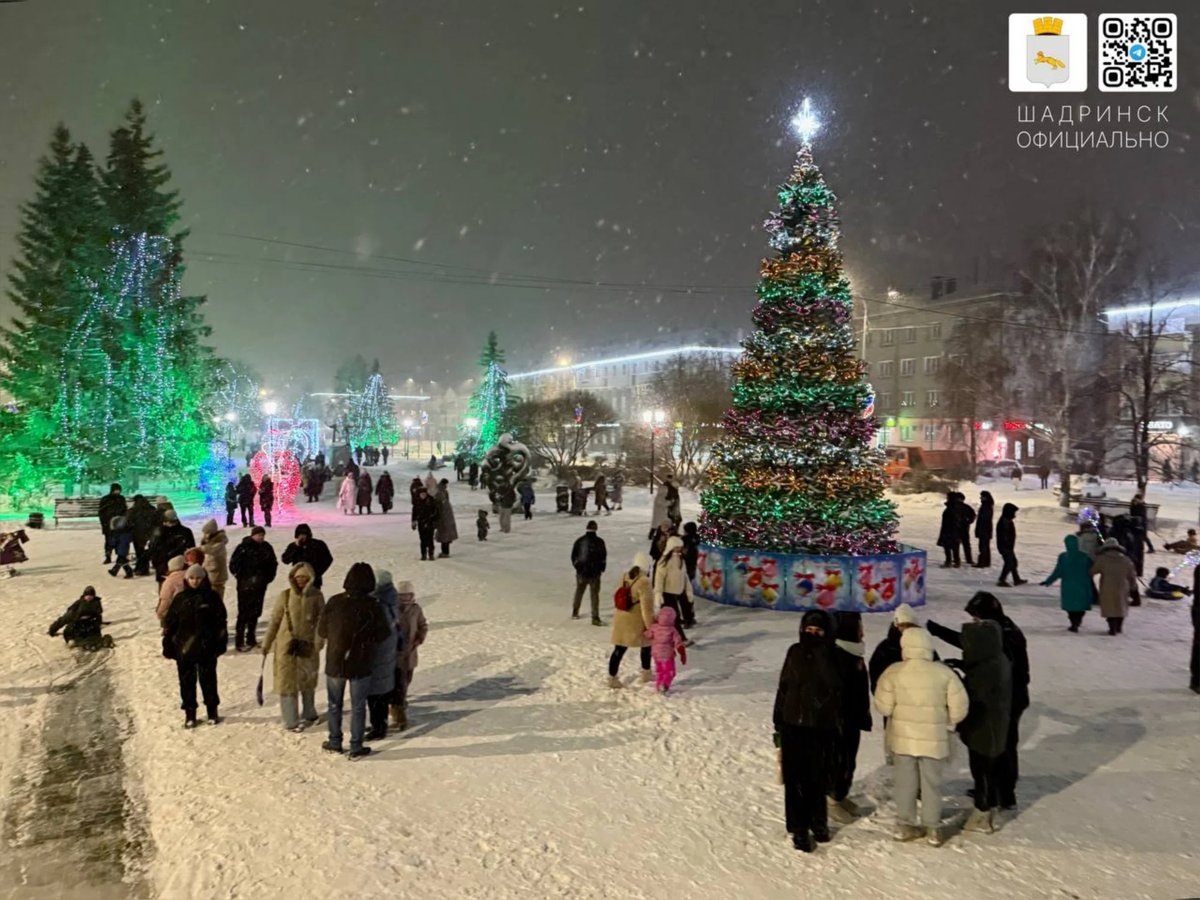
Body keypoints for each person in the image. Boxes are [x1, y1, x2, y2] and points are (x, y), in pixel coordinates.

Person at [928, 592, 1030, 810]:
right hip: (1006, 696)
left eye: (977, 617)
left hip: (1008, 698)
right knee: (996, 744)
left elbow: (991, 662)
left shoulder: (1003, 634)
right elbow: (980, 652)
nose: (975, 622)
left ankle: (1002, 792)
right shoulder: (998, 628)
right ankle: (992, 787)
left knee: (1000, 745)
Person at [873, 627, 968, 846]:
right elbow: (960, 706)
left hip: (903, 739)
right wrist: (949, 721)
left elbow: (884, 707)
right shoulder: (943, 673)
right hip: (934, 740)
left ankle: (905, 825)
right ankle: (933, 828)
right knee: (931, 783)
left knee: (905, 783)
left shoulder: (893, 671)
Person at [772, 610, 840, 853]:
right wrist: (778, 717)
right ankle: (799, 828)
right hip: (792, 725)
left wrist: (821, 653)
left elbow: (835, 687)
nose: (811, 636)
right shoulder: (794, 651)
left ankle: (818, 823)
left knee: (817, 778)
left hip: (819, 727)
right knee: (794, 780)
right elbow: (784, 685)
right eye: (808, 631)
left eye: (817, 632)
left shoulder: (833, 655)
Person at [318, 562, 391, 759]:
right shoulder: (373, 606)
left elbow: (322, 630)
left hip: (336, 661)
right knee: (358, 706)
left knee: (335, 704)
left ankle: (335, 741)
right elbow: (383, 633)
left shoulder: (334, 602)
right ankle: (356, 745)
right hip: (361, 662)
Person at [956, 620, 1012, 834]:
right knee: (988, 769)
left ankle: (982, 813)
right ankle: (988, 804)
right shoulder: (997, 660)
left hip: (983, 728)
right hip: (994, 727)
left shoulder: (985, 670)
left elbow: (972, 696)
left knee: (981, 771)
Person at [162, 564, 229, 728]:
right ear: (187, 579)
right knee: (186, 682)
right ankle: (190, 713)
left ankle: (212, 711)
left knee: (208, 680)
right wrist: (168, 645)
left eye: (198, 578)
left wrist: (220, 643)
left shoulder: (212, 597)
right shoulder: (180, 599)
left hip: (207, 648)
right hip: (184, 649)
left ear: (204, 579)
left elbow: (221, 622)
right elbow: (170, 624)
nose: (195, 581)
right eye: (192, 578)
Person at [261, 563, 325, 731]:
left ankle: (309, 713)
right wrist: (267, 642)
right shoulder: (285, 596)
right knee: (287, 682)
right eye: (298, 577)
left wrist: (319, 641)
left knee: (307, 681)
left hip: (308, 645)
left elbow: (321, 621)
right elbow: (275, 620)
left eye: (304, 577)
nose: (301, 581)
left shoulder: (317, 596)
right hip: (285, 645)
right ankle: (290, 719)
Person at [827, 612, 872, 824]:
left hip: (852, 719)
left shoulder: (852, 653)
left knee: (848, 761)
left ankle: (840, 796)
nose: (863, 630)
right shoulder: (839, 656)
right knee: (839, 761)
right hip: (840, 722)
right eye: (859, 626)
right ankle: (831, 800)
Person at [609, 552, 656, 688]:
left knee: (619, 648)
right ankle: (646, 673)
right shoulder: (644, 582)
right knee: (646, 645)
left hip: (621, 617)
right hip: (635, 620)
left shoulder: (625, 576)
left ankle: (612, 677)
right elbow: (646, 608)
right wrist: (650, 626)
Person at [228, 526, 278, 651]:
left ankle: (251, 638)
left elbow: (273, 564)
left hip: (260, 586)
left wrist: (268, 578)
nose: (261, 537)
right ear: (253, 535)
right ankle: (239, 641)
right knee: (243, 613)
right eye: (258, 535)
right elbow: (233, 565)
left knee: (255, 612)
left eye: (262, 535)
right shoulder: (243, 548)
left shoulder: (266, 547)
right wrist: (242, 578)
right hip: (245, 586)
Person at [365, 570, 400, 741]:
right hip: (388, 654)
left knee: (376, 694)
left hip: (379, 655)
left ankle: (379, 728)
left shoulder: (380, 605)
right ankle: (379, 724)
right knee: (380, 693)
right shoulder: (391, 600)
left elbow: (379, 632)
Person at [391, 580, 428, 730]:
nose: (405, 599)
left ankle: (399, 706)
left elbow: (423, 625)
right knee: (398, 686)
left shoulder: (416, 609)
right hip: (394, 655)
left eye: (408, 595)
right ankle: (399, 716)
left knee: (405, 683)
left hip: (410, 655)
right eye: (402, 596)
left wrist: (419, 639)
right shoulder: (392, 609)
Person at [1041, 534, 1095, 631]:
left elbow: (1058, 571)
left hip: (1068, 585)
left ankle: (1073, 623)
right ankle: (1078, 621)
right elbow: (1092, 568)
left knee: (1071, 606)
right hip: (1082, 584)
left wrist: (1048, 581)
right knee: (1081, 605)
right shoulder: (1084, 556)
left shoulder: (1063, 557)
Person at [1092, 537, 1138, 636]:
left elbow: (1093, 571)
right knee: (1121, 606)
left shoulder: (1102, 559)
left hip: (1107, 585)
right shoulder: (1126, 560)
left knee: (1110, 607)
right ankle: (1119, 626)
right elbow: (1132, 575)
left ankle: (1112, 626)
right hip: (1123, 586)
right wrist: (1133, 586)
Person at [654, 535, 696, 636]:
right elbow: (659, 579)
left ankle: (671, 636)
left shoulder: (681, 560)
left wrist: (688, 591)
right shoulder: (664, 562)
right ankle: (681, 639)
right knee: (674, 616)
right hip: (667, 592)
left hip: (679, 591)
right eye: (677, 547)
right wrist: (658, 593)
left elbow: (685, 576)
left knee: (674, 616)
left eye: (680, 547)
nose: (679, 549)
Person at [570, 520, 608, 625]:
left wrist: (577, 567)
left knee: (579, 591)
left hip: (582, 571)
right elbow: (603, 556)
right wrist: (601, 568)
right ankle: (595, 617)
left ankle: (575, 611)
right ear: (596, 528)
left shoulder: (579, 541)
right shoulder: (600, 542)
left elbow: (574, 556)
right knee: (594, 595)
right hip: (595, 572)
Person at [645, 606, 687, 693]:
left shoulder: (654, 627)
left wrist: (647, 630)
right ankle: (665, 684)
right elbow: (678, 642)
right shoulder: (672, 630)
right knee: (670, 671)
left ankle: (658, 685)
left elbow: (648, 635)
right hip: (667, 655)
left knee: (660, 671)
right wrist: (682, 653)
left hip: (656, 653)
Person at [280, 523, 334, 589]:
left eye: (304, 534)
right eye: (300, 534)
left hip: (314, 581)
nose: (302, 537)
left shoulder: (318, 544)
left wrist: (317, 572)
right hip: (298, 581)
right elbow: (285, 560)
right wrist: (296, 547)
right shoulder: (293, 546)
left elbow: (328, 559)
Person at [149, 510, 196, 584]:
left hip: (168, 565)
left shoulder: (159, 531)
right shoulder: (185, 531)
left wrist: (155, 562)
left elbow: (153, 548)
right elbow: (191, 549)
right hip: (176, 565)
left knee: (167, 590)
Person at [127, 494, 158, 576]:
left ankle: (141, 569)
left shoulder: (133, 510)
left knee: (139, 552)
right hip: (149, 535)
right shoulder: (152, 509)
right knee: (146, 552)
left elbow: (128, 522)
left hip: (137, 535)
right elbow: (156, 521)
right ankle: (143, 567)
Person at [199, 518, 229, 600]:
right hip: (211, 574)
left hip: (217, 575)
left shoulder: (219, 543)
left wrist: (198, 549)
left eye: (206, 533)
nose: (204, 535)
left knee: (216, 597)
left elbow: (211, 550)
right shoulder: (210, 542)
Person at [995, 502, 1025, 587]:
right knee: (1009, 563)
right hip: (1005, 546)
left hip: (1008, 546)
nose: (1014, 514)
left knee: (1013, 562)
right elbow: (1004, 535)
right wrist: (1007, 544)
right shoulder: (1005, 521)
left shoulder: (1007, 520)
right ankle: (1002, 580)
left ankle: (1016, 579)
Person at [98, 483, 127, 565]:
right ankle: (108, 556)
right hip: (109, 524)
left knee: (118, 540)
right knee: (109, 541)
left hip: (118, 523)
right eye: (117, 489)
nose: (118, 491)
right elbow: (101, 512)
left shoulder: (121, 499)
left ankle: (119, 556)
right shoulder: (106, 499)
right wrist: (104, 523)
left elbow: (124, 510)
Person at [156, 556, 189, 622]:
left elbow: (165, 599)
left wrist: (160, 613)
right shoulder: (189, 575)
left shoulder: (169, 581)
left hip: (175, 612)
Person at [412, 487, 439, 561]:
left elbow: (436, 512)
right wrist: (414, 522)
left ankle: (431, 554)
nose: (423, 495)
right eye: (422, 494)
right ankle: (423, 554)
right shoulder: (417, 502)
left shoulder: (431, 501)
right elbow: (414, 513)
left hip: (429, 522)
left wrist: (435, 521)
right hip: (421, 523)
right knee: (422, 539)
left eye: (424, 494)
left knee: (430, 539)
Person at [435, 479, 459, 557]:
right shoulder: (440, 493)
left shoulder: (441, 492)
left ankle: (445, 552)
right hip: (445, 516)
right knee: (445, 535)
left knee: (444, 535)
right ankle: (445, 552)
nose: (446, 486)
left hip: (445, 516)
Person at [107, 513, 135, 579]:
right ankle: (115, 570)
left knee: (122, 560)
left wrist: (110, 546)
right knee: (121, 559)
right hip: (123, 547)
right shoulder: (126, 533)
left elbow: (114, 540)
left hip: (121, 548)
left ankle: (129, 572)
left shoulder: (118, 533)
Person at [936, 493, 961, 568]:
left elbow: (953, 520)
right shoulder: (955, 507)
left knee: (948, 546)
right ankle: (956, 561)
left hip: (949, 530)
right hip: (953, 530)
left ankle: (949, 561)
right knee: (954, 547)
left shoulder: (951, 507)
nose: (946, 498)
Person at [973, 491, 994, 568]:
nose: (980, 498)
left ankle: (982, 562)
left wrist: (979, 530)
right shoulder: (988, 505)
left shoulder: (986, 506)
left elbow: (983, 519)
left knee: (983, 546)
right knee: (985, 546)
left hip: (984, 530)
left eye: (982, 496)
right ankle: (986, 562)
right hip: (986, 529)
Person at [955, 492, 976, 566]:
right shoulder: (966, 507)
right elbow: (973, 515)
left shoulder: (958, 507)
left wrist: (968, 521)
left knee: (958, 545)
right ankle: (968, 559)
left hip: (960, 528)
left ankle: (958, 560)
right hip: (963, 528)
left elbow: (973, 515)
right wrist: (969, 521)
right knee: (965, 544)